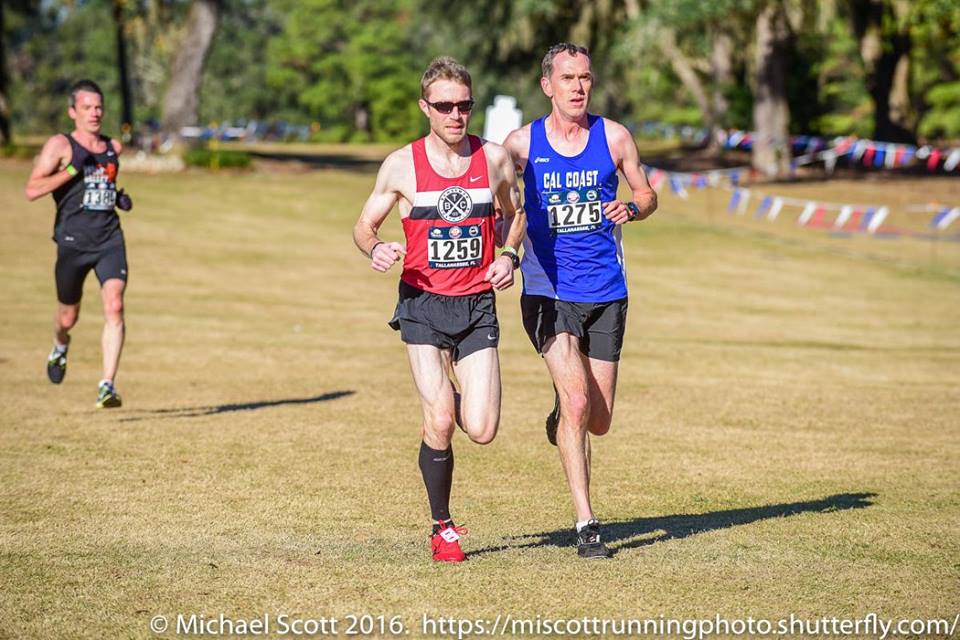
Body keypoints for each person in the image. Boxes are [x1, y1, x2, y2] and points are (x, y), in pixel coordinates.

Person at [352, 57, 525, 563]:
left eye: (464, 105)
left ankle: (451, 394)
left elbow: (516, 215)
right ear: (425, 107)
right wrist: (375, 248)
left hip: (476, 304)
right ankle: (443, 528)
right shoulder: (401, 165)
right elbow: (364, 226)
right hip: (422, 303)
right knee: (441, 420)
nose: (456, 115)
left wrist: (509, 255)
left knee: (483, 429)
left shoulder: (494, 159)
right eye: (445, 106)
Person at [503, 43, 657, 559]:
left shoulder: (614, 137)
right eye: (568, 78)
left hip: (607, 290)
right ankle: (587, 524)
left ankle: (564, 410)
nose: (578, 87)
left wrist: (632, 209)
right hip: (547, 289)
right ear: (547, 85)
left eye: (585, 77)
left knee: (598, 419)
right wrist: (504, 249)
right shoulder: (520, 145)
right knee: (577, 401)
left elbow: (647, 194)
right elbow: (498, 200)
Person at [25, 79, 133, 409]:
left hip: (109, 239)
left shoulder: (114, 147)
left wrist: (116, 196)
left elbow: (101, 184)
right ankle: (60, 346)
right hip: (73, 243)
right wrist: (73, 167)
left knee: (115, 305)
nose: (94, 113)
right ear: (73, 112)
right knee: (67, 319)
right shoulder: (61, 145)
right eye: (87, 107)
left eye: (99, 107)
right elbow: (32, 190)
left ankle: (106, 386)